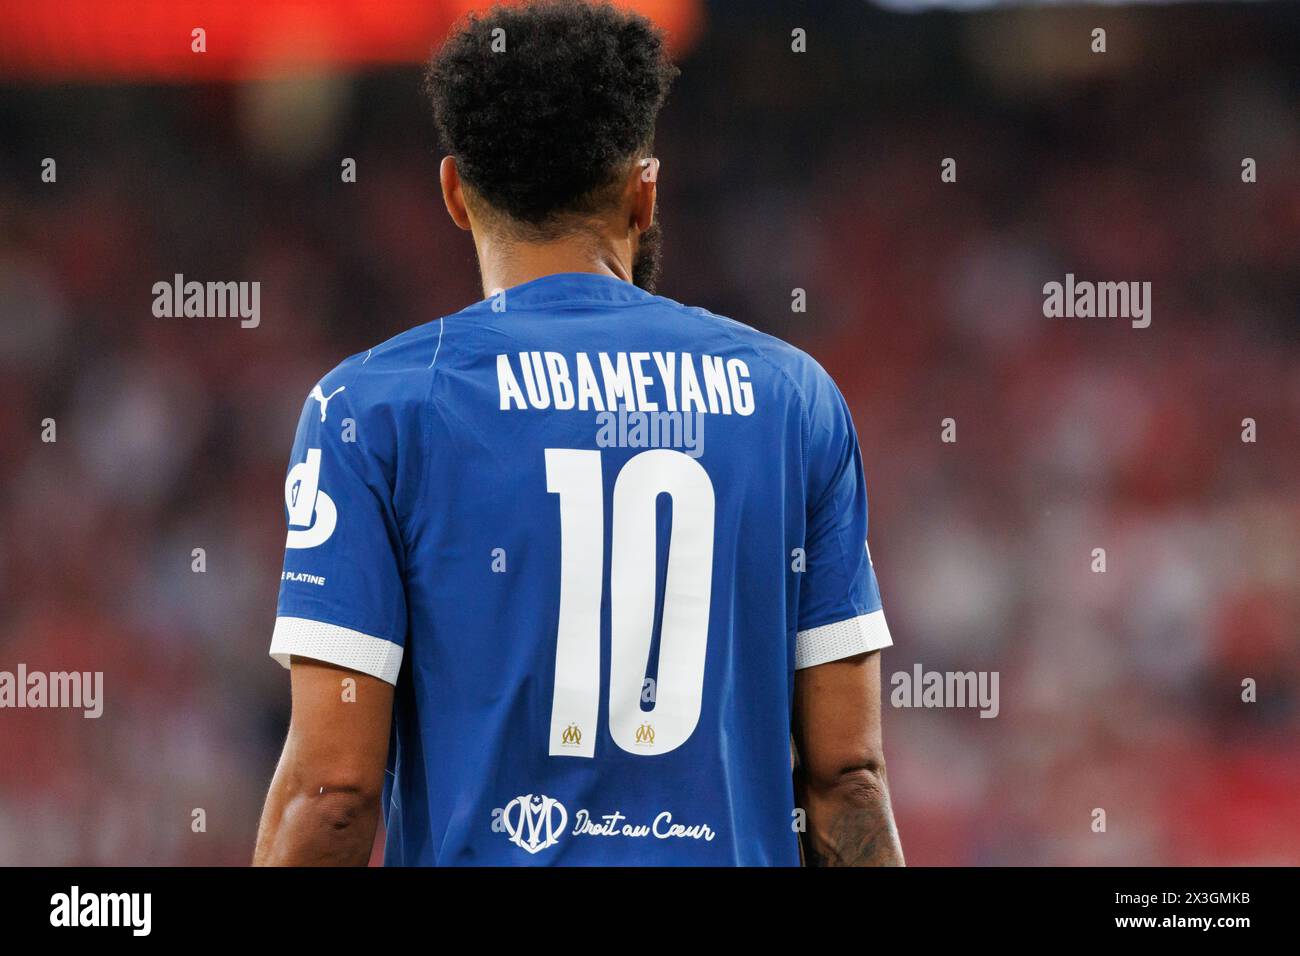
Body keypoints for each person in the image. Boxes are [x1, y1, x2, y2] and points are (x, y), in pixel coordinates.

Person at [253, 0, 902, 866]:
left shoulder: (367, 411)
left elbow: (332, 797)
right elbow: (848, 777)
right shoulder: (794, 399)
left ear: (455, 193)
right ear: (644, 188)